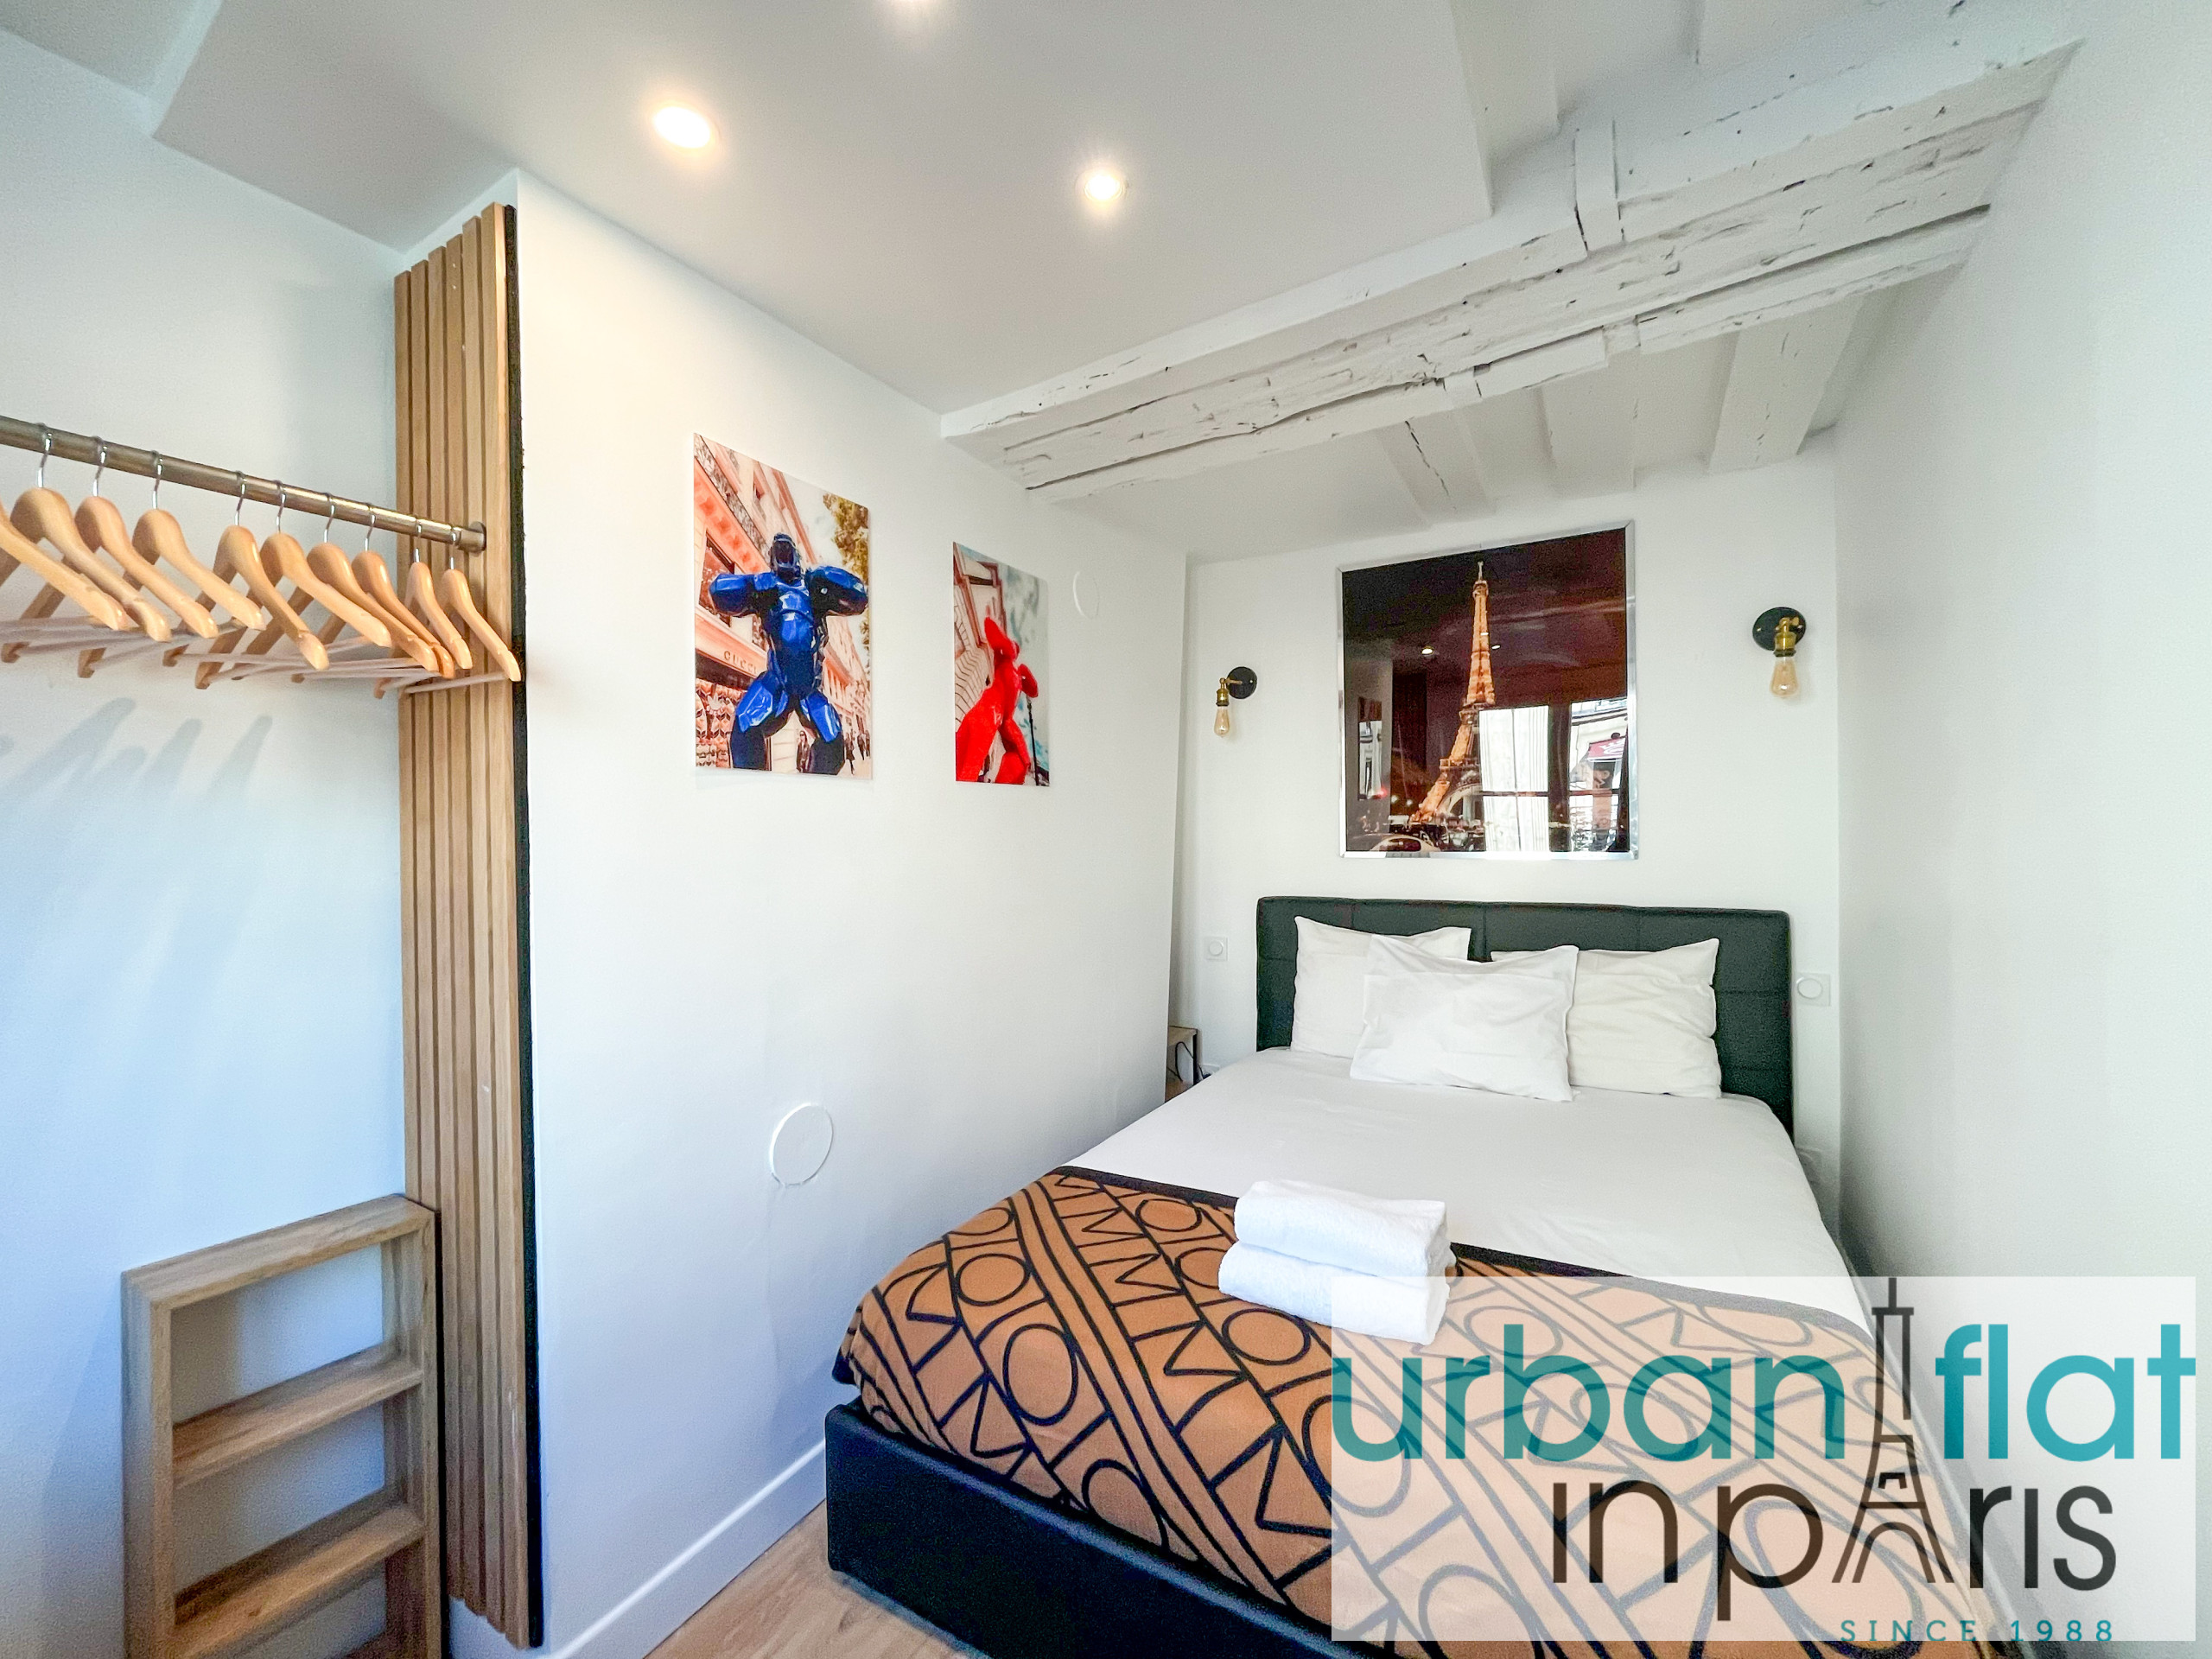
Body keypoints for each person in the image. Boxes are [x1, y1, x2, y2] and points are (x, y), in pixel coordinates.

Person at [708, 533, 868, 774]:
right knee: (744, 727)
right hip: (776, 684)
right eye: (778, 552)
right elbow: (718, 590)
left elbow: (859, 596)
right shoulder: (767, 590)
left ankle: (811, 789)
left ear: (797, 557)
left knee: (833, 743)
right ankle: (752, 789)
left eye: (787, 550)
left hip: (809, 689)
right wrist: (751, 584)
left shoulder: (813, 591)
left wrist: (826, 576)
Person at [955, 615, 1039, 784]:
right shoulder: (1003, 659)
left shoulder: (1018, 673)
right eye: (1014, 646)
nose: (1016, 648)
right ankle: (962, 779)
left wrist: (1025, 673)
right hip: (992, 705)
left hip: (1005, 719)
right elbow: (989, 625)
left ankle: (1005, 786)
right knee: (975, 745)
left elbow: (1034, 691)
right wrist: (1007, 646)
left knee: (1022, 757)